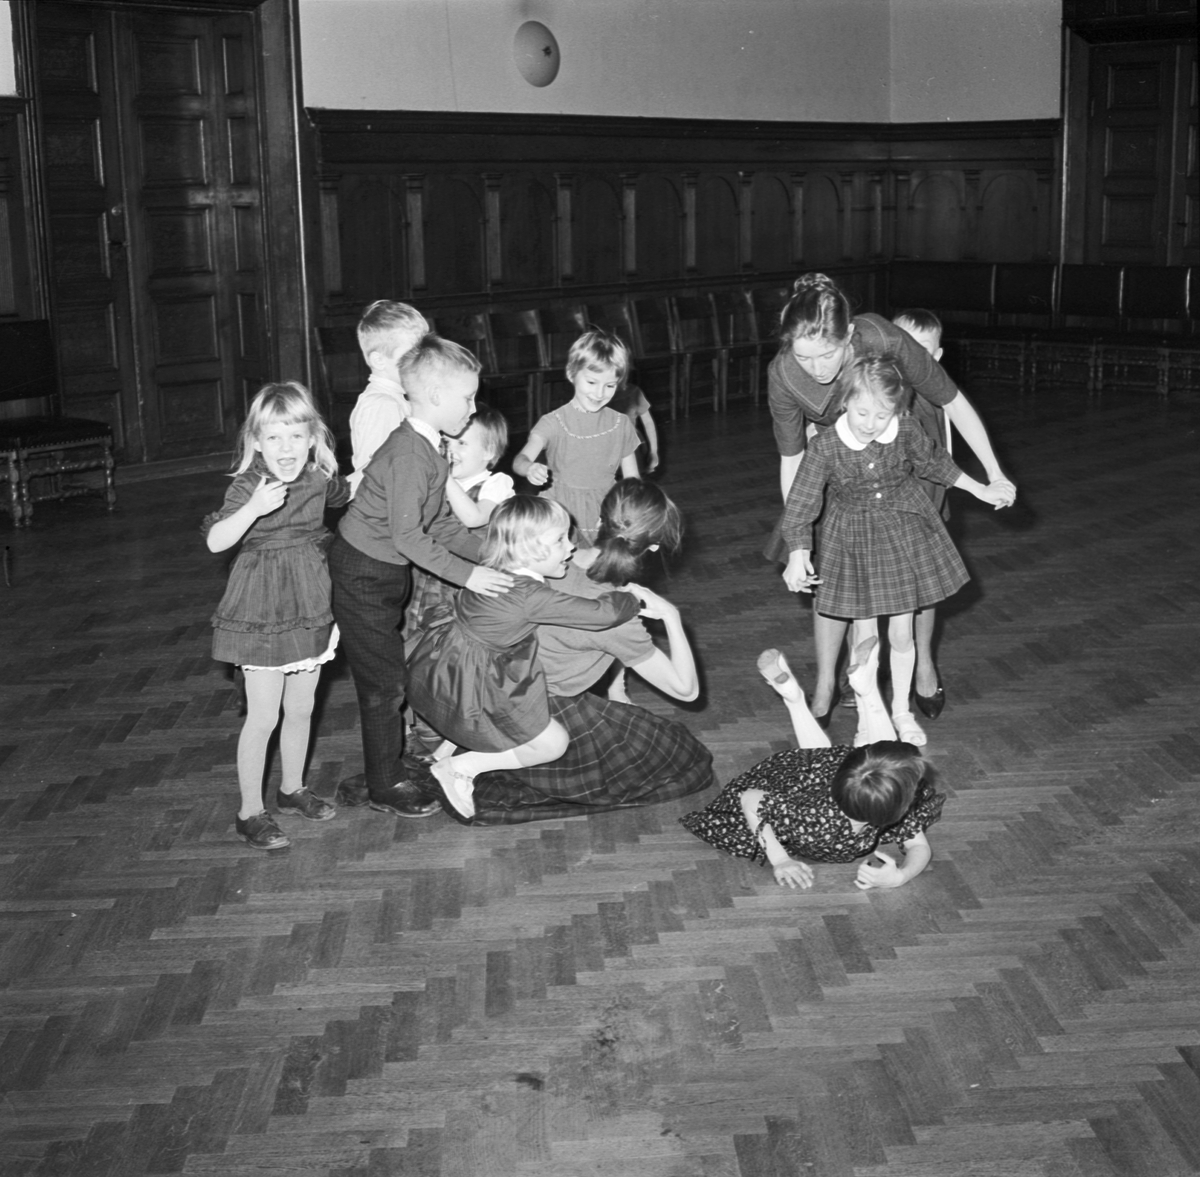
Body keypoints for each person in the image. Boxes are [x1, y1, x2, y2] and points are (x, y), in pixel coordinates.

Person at [767, 272, 1017, 719]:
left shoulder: (882, 336)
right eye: (805, 358)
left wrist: (993, 473)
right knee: (831, 565)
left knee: (914, 564)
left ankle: (922, 664)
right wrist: (796, 540)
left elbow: (952, 400)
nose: (819, 369)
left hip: (901, 426)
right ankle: (833, 679)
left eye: (828, 354)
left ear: (850, 336)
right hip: (837, 454)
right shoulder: (784, 375)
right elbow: (792, 459)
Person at [330, 335, 513, 819]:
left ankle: (384, 767)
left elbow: (442, 524)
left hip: (381, 574)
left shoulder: (430, 448)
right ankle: (384, 784)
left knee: (387, 680)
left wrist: (495, 556)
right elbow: (411, 538)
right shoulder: (412, 453)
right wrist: (470, 577)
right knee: (384, 685)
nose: (473, 409)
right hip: (363, 573)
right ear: (434, 396)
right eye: (467, 398)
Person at [463, 478, 714, 824]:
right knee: (688, 760)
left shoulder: (550, 552)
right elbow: (687, 691)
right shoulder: (618, 615)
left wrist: (615, 687)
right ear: (654, 547)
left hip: (495, 685)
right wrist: (672, 617)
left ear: (600, 519)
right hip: (546, 710)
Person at [405, 496, 644, 820]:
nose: (570, 547)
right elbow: (601, 614)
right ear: (528, 549)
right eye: (559, 540)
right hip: (469, 679)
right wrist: (632, 597)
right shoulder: (530, 595)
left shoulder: (494, 560)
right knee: (553, 743)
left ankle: (446, 748)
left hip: (441, 660)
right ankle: (459, 768)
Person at [204, 382, 349, 850]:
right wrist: (251, 509)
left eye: (294, 436)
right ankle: (250, 811)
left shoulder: (317, 479)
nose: (284, 448)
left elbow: (353, 492)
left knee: (302, 706)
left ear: (311, 437)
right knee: (263, 715)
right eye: (273, 437)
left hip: (310, 600)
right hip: (261, 606)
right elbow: (215, 541)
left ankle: (291, 789)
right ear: (256, 443)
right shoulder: (250, 486)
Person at [680, 638, 945, 891]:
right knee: (813, 763)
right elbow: (749, 798)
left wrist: (900, 876)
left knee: (830, 758)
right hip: (793, 787)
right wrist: (780, 859)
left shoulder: (869, 790)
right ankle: (855, 692)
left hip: (829, 779)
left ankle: (800, 697)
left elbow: (919, 847)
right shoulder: (810, 819)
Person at [512, 329, 641, 544]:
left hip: (606, 509)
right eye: (591, 382)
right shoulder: (553, 422)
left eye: (610, 386)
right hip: (561, 511)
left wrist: (630, 511)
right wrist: (530, 468)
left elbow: (632, 480)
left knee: (603, 569)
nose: (599, 394)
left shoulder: (621, 424)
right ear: (572, 374)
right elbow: (520, 460)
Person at [891, 308, 951, 720]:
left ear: (938, 356)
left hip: (927, 505)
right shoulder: (873, 393)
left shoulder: (939, 397)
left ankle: (924, 665)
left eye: (922, 352)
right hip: (875, 510)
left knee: (924, 591)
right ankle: (860, 670)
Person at [347, 300, 429, 496]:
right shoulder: (382, 405)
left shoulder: (396, 399)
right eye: (411, 354)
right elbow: (374, 473)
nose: (422, 361)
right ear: (379, 360)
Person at [610, 382, 660, 473]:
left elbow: (648, 422)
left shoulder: (634, 392)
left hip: (632, 448)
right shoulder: (597, 395)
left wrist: (653, 451)